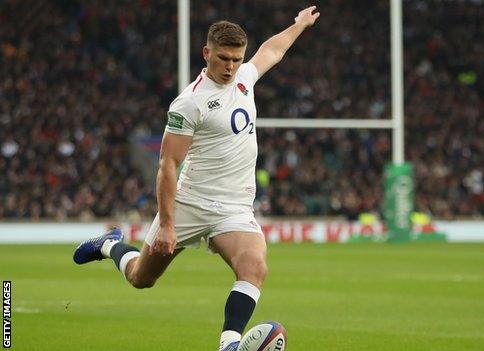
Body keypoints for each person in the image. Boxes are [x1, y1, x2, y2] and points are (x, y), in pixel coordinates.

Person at [73, 6, 320, 351]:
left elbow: (272, 50)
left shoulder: (245, 78)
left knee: (254, 267)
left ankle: (229, 344)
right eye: (223, 58)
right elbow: (168, 166)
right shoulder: (189, 104)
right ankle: (109, 244)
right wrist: (170, 226)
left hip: (233, 206)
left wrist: (298, 25)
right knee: (141, 278)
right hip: (189, 201)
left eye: (236, 59)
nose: (230, 67)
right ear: (207, 54)